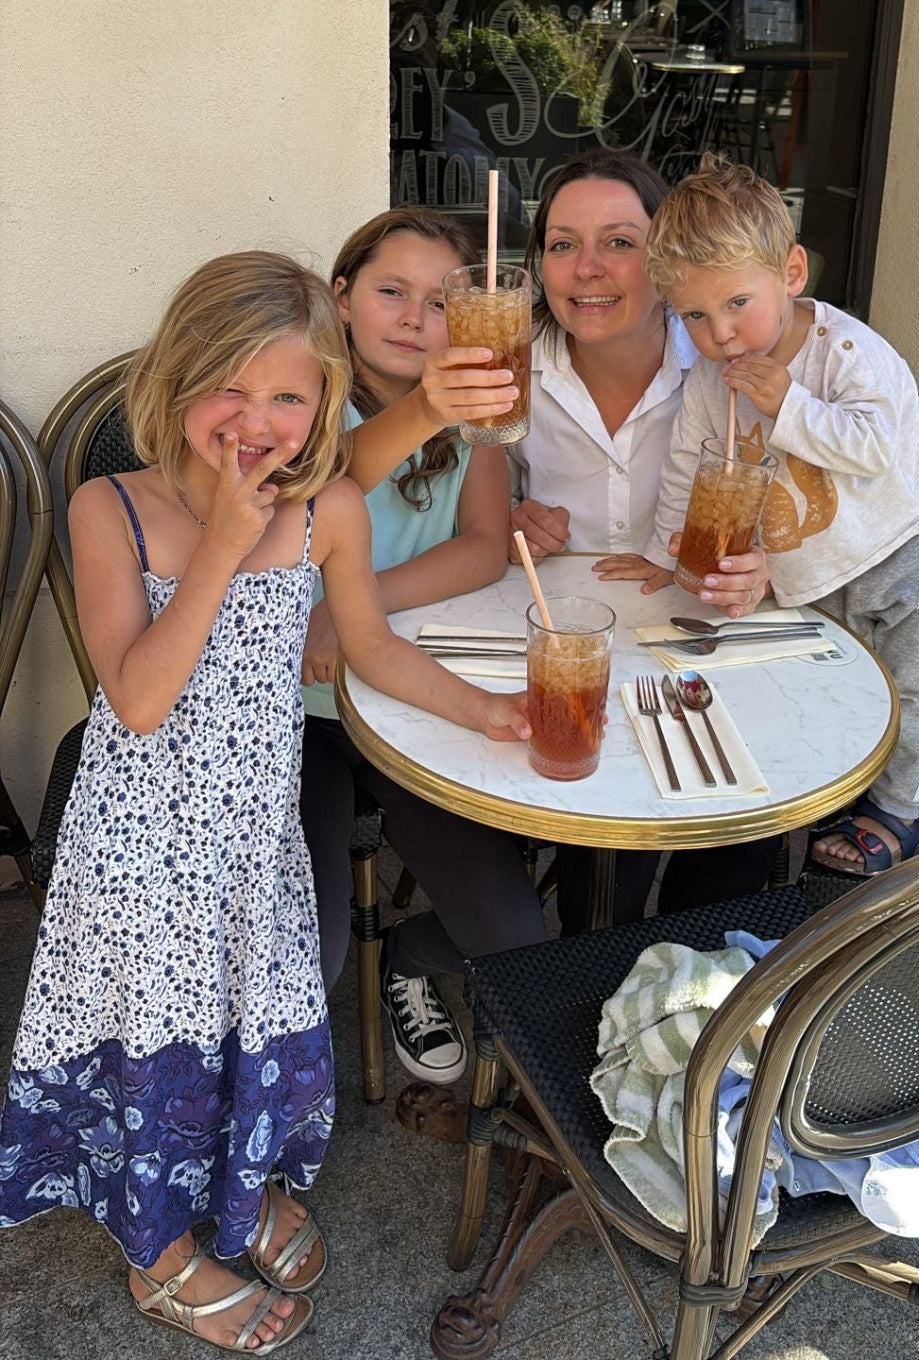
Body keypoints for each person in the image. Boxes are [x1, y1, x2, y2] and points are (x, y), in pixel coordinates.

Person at [0, 251, 531, 1354]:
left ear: (323, 408)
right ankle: (158, 1251)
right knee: (155, 1045)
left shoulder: (327, 508)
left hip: (253, 835)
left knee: (257, 1025)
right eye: (227, 389)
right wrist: (227, 550)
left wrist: (483, 711)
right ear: (174, 383)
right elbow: (137, 700)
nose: (257, 419)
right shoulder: (113, 511)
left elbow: (369, 646)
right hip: (140, 850)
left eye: (288, 396)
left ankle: (241, 1193)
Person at [637, 157, 919, 874]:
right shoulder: (710, 379)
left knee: (914, 687)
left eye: (737, 302)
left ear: (791, 274)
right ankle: (832, 788)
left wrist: (787, 406)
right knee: (835, 676)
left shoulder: (850, 352)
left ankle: (898, 814)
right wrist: (667, 549)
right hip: (827, 554)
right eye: (694, 316)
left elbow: (875, 449)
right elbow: (691, 466)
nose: (721, 333)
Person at [299, 208, 545, 1087]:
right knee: (312, 953)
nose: (413, 318)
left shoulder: (474, 411)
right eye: (389, 292)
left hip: (416, 692)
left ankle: (409, 956)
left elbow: (484, 544)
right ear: (344, 298)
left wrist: (354, 607)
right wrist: (335, 612)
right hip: (306, 717)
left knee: (518, 934)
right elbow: (324, 483)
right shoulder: (298, 391)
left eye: (439, 303)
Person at [509, 149, 779, 925]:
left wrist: (764, 565)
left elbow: (796, 500)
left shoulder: (730, 362)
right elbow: (470, 504)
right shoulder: (508, 369)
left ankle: (699, 998)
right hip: (567, 643)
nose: (587, 269)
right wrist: (508, 527)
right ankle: (598, 975)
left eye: (619, 242)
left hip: (704, 641)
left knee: (737, 838)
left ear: (664, 260)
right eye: (563, 244)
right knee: (606, 872)